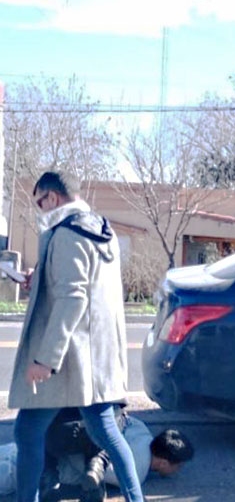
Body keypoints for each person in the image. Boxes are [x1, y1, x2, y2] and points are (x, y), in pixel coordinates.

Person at [8, 171, 144, 502]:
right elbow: (86, 287)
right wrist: (40, 276)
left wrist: (45, 359)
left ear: (52, 197)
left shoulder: (67, 234)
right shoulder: (101, 230)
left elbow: (73, 298)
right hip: (94, 359)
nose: (39, 210)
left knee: (28, 431)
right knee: (106, 433)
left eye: (40, 202)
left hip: (68, 360)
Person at [42, 407, 194, 501]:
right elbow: (88, 468)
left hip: (66, 417)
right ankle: (49, 476)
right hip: (65, 442)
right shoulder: (137, 472)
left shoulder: (141, 428)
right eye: (178, 466)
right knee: (79, 477)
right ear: (164, 463)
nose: (178, 470)